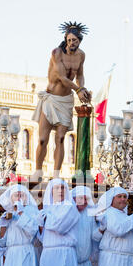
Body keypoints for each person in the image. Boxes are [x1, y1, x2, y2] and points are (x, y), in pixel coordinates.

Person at [31, 22, 91, 182]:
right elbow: (62, 78)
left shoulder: (81, 55)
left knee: (61, 138)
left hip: (66, 101)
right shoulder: (56, 53)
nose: (72, 43)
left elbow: (79, 75)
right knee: (43, 139)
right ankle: (38, 170)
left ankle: (56, 174)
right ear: (66, 39)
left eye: (75, 40)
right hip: (51, 99)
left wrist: (82, 87)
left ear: (79, 41)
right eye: (69, 40)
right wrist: (78, 91)